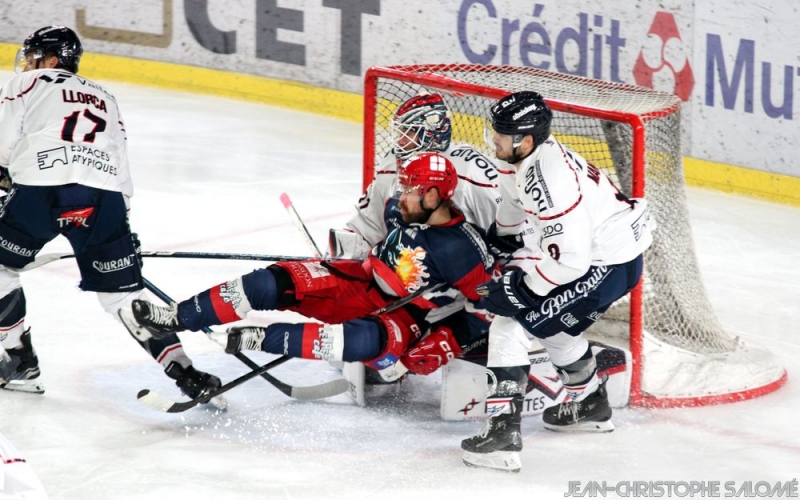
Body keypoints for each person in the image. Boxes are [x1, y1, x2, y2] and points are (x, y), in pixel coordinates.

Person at [118, 153, 495, 383]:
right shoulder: (405, 209)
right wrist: (346, 245)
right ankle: (174, 318)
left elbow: (487, 307)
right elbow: (365, 232)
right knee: (272, 281)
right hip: (362, 279)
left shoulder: (462, 249)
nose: (401, 195)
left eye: (411, 189)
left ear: (432, 195)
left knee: (362, 341)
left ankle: (257, 338)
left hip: (406, 315)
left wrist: (449, 340)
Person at [0, 26, 225, 409]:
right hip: (103, 198)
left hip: (43, 186)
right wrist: (121, 228)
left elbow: (3, 143)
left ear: (52, 60)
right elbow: (121, 164)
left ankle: (21, 364)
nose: (29, 63)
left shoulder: (28, 83)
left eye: (35, 56)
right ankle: (185, 371)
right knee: (123, 295)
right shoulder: (106, 96)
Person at [460, 91, 656, 472]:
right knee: (552, 326)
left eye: (499, 134)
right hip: (599, 259)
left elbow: (570, 262)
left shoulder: (548, 178)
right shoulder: (518, 157)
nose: (492, 140)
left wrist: (521, 290)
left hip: (606, 266)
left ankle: (502, 436)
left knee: (509, 323)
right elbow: (513, 205)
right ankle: (589, 404)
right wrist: (500, 239)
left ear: (527, 140)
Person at [328, 93, 528, 374]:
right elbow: (368, 224)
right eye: (400, 133)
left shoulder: (473, 174)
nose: (401, 142)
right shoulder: (391, 167)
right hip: (408, 280)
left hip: (463, 289)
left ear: (433, 135)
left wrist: (480, 313)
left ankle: (487, 340)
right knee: (355, 327)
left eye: (409, 134)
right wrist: (344, 256)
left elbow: (513, 239)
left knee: (409, 348)